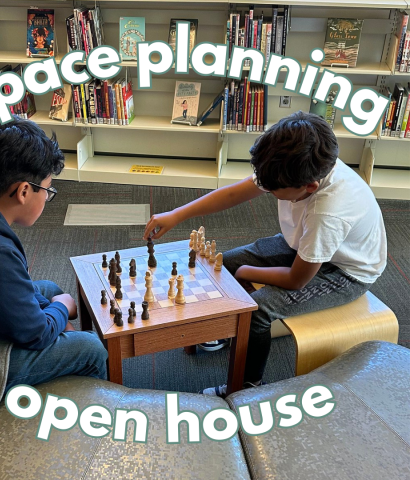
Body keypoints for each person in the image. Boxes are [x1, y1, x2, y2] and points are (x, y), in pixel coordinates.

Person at [143, 110, 387, 398]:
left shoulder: (328, 212)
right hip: (304, 246)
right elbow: (237, 193)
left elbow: (297, 280)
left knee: (258, 311)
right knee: (226, 263)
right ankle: (231, 330)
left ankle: (247, 387)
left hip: (345, 273)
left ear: (309, 187)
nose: (267, 191)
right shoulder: (295, 167)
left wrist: (248, 273)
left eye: (274, 191)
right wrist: (177, 214)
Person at [0, 117, 108, 439]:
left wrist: (51, 306)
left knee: (48, 290)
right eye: (47, 190)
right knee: (91, 347)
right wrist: (63, 308)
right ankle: (95, 434)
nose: (47, 197)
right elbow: (35, 334)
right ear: (24, 191)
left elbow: (10, 286)